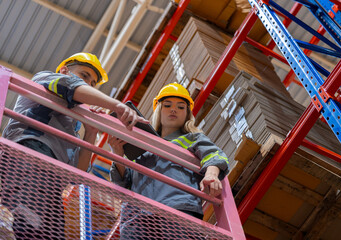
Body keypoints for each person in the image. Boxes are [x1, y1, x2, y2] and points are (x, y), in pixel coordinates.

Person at [0, 52, 148, 239]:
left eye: (93, 83)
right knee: (30, 222)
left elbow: (78, 172)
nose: (88, 84)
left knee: (50, 234)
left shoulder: (73, 124)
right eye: (84, 76)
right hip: (29, 156)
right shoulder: (46, 79)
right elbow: (71, 87)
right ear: (64, 70)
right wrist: (117, 106)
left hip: (52, 181)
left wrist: (91, 130)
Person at [109, 82, 229, 239]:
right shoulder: (140, 145)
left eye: (181, 107)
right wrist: (117, 154)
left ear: (187, 114)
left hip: (177, 209)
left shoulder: (192, 139)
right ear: (158, 110)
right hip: (137, 216)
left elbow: (214, 154)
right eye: (167, 105)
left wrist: (211, 174)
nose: (174, 109)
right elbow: (122, 183)